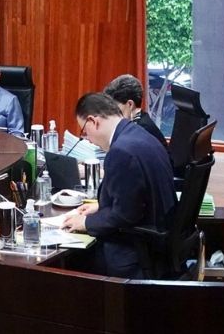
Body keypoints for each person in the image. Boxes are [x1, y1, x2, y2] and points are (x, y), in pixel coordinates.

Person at [61, 92, 178, 279]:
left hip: (136, 252)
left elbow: (125, 215)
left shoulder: (121, 151)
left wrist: (86, 222)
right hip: (160, 240)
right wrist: (101, 206)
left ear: (93, 121)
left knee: (67, 264)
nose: (88, 139)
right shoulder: (140, 135)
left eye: (84, 131)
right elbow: (136, 194)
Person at [104, 73, 168, 148]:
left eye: (115, 108)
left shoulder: (142, 129)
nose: (113, 113)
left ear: (130, 105)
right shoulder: (139, 120)